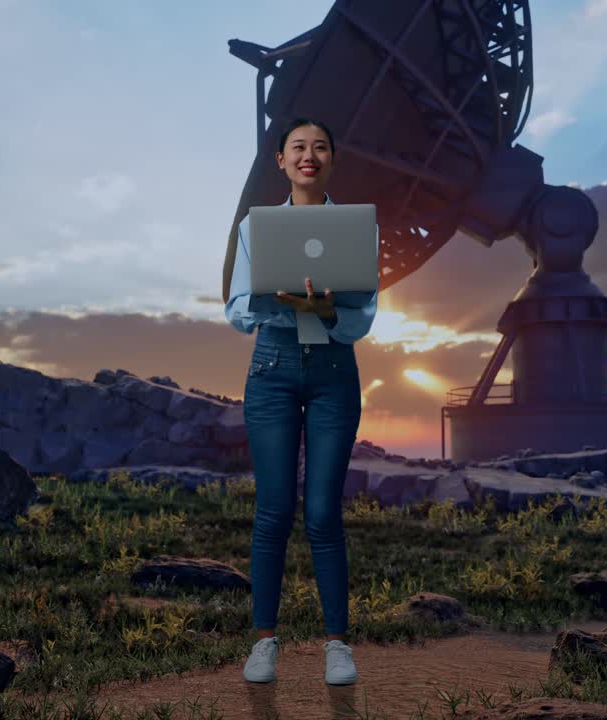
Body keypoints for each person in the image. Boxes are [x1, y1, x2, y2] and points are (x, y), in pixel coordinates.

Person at [222, 117, 378, 686]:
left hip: (334, 372)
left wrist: (328, 311)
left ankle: (337, 645)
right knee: (273, 510)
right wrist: (279, 302)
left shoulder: (359, 228)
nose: (309, 155)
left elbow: (364, 316)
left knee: (322, 513)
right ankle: (264, 642)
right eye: (298, 147)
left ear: (332, 159)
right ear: (281, 161)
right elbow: (236, 308)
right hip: (273, 369)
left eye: (320, 147)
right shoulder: (255, 228)